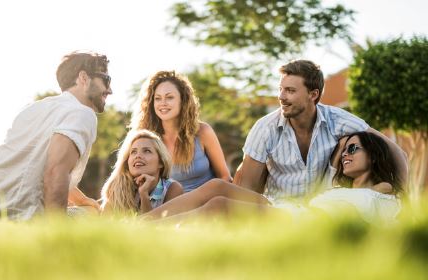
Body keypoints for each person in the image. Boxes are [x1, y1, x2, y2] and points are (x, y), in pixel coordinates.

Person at [235, 59, 407, 203]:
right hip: (280, 211)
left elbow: (396, 152)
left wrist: (404, 196)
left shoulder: (337, 120)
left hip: (323, 214)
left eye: (290, 90)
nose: (281, 96)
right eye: (281, 89)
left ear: (313, 94)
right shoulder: (265, 128)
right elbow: (247, 187)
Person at [142, 131, 403, 223]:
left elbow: (388, 200)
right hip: (291, 211)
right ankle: (142, 223)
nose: (345, 154)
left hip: (304, 222)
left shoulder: (383, 193)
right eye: (343, 150)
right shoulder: (337, 188)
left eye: (353, 148)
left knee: (218, 206)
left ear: (374, 155)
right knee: (217, 186)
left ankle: (152, 233)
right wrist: (341, 155)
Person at [0, 51, 112, 220]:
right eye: (106, 80)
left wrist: (82, 199)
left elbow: (34, 168)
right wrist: (55, 233)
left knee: (84, 206)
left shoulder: (33, 109)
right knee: (92, 214)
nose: (110, 90)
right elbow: (55, 172)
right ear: (83, 78)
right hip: (17, 219)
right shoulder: (82, 113)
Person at [131, 70, 231, 192]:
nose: (163, 103)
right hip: (169, 206)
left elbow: (225, 177)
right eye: (158, 98)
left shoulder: (203, 132)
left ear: (182, 100)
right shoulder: (147, 139)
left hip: (208, 201)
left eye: (169, 97)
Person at [101, 129, 183, 214]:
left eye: (147, 151)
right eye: (133, 152)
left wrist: (144, 194)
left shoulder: (172, 188)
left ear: (161, 162)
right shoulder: (117, 188)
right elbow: (103, 224)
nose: (138, 156)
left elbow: (152, 225)